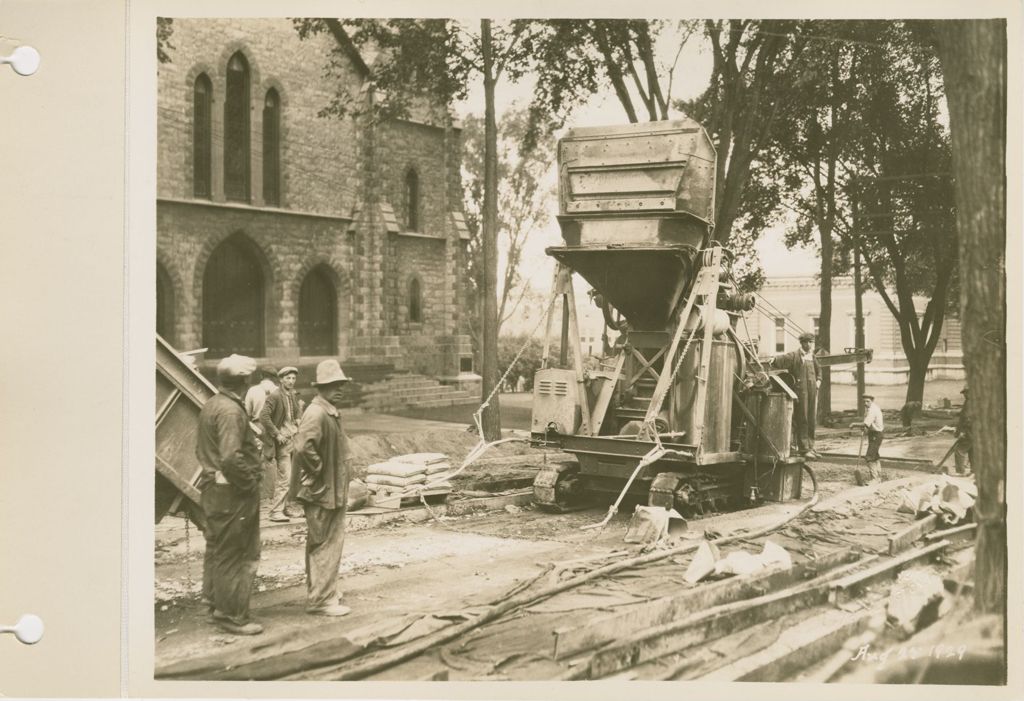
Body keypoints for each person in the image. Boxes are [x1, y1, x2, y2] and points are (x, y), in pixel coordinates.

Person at [195, 354, 265, 636]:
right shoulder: (231, 412)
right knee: (237, 552)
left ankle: (214, 603)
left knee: (218, 548)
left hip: (215, 489)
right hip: (233, 493)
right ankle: (231, 615)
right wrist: (249, 483)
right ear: (245, 381)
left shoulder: (213, 404)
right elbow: (231, 458)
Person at [290, 359, 354, 617]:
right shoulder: (316, 413)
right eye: (332, 385)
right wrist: (317, 472)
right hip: (323, 492)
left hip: (331, 490)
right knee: (325, 544)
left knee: (324, 543)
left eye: (340, 384)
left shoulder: (329, 411)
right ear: (321, 387)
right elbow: (303, 447)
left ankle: (323, 591)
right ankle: (321, 600)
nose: (339, 389)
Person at [260, 366, 303, 522]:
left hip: (292, 439)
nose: (291, 381)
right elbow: (263, 416)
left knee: (292, 477)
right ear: (281, 380)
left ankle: (286, 509)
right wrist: (277, 434)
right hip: (282, 442)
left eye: (293, 378)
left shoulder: (291, 395)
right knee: (284, 478)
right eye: (288, 378)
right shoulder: (275, 396)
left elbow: (297, 410)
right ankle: (275, 511)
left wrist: (298, 419)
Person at [773, 331, 821, 458]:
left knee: (811, 417)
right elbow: (782, 359)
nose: (810, 345)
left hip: (812, 391)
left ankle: (811, 446)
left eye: (812, 342)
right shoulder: (794, 356)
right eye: (808, 342)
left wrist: (819, 381)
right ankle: (804, 449)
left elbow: (819, 370)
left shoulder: (812, 356)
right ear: (803, 343)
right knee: (803, 418)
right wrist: (773, 359)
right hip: (800, 391)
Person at [852, 394, 884, 485]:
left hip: (876, 435)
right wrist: (866, 429)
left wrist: (854, 424)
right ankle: (878, 477)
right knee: (875, 456)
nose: (866, 403)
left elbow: (866, 423)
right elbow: (868, 424)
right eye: (864, 402)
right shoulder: (870, 408)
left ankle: (875, 479)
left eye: (868, 401)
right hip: (874, 434)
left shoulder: (873, 410)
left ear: (872, 401)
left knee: (869, 457)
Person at [953, 387, 972, 476]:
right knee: (972, 450)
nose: (964, 395)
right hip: (975, 432)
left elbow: (967, 419)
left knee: (959, 450)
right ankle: (974, 471)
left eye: (965, 393)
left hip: (968, 431)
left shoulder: (969, 402)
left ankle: (960, 472)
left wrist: (962, 432)